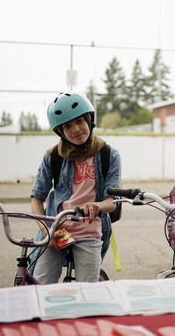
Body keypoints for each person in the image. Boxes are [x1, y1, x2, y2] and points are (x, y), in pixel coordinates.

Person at [29, 92, 121, 283]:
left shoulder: (108, 154)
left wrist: (98, 206)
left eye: (79, 121)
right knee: (40, 285)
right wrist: (47, 232)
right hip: (56, 229)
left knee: (88, 290)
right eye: (67, 126)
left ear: (89, 119)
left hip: (90, 231)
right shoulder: (53, 156)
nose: (75, 129)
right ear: (60, 131)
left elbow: (112, 202)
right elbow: (37, 199)